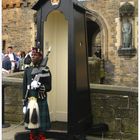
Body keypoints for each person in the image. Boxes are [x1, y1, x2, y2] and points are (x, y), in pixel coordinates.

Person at [22, 47, 52, 140]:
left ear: (40, 57)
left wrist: (40, 85)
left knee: (41, 122)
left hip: (40, 99)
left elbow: (49, 87)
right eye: (32, 55)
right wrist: (24, 102)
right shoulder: (28, 70)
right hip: (30, 99)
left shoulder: (46, 69)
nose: (33, 57)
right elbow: (24, 86)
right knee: (31, 121)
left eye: (35, 55)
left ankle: (41, 136)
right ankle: (32, 136)